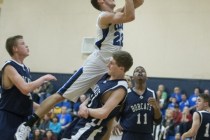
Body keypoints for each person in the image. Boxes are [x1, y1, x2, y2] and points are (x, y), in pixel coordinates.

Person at [15, 0, 144, 139]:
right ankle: (27, 125)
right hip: (97, 64)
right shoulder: (104, 16)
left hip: (111, 67)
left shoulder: (117, 13)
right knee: (60, 96)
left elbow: (139, 2)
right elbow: (130, 16)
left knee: (110, 110)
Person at [0, 35, 56, 140]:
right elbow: (25, 88)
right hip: (9, 118)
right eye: (23, 44)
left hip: (24, 120)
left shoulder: (26, 69)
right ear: (15, 49)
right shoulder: (9, 67)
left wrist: (42, 108)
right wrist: (43, 78)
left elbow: (27, 98)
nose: (27, 46)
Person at [112, 66, 162, 140]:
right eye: (137, 71)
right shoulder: (126, 93)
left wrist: (156, 108)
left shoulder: (153, 94)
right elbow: (116, 114)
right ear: (132, 78)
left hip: (147, 135)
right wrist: (114, 122)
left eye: (143, 71)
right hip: (129, 134)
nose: (140, 72)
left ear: (147, 77)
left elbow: (158, 120)